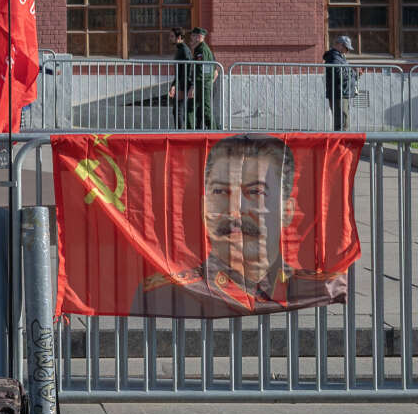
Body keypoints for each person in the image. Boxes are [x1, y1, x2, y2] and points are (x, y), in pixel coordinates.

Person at [134, 134, 340, 317]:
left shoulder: (316, 288)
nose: (235, 210)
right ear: (204, 208)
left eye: (255, 192)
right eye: (221, 192)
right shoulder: (164, 293)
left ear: (287, 211)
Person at [323, 35, 361, 131]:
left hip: (342, 92)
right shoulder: (334, 57)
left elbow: (343, 73)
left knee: (342, 121)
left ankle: (340, 144)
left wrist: (354, 73)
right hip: (339, 93)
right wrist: (354, 72)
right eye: (346, 48)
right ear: (339, 45)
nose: (347, 51)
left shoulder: (338, 57)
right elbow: (339, 75)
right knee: (342, 123)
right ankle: (340, 144)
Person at [187, 27, 219, 130]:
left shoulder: (202, 50)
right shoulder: (200, 49)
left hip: (202, 83)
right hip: (202, 83)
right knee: (192, 108)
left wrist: (194, 86)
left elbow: (202, 70)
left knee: (206, 109)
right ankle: (190, 131)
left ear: (199, 37)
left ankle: (215, 132)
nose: (191, 38)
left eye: (193, 36)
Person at [167, 27, 193, 129]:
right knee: (177, 110)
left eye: (172, 36)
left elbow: (187, 70)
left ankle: (180, 133)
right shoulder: (180, 49)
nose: (170, 38)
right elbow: (179, 72)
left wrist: (181, 87)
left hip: (183, 84)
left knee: (178, 110)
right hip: (180, 83)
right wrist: (173, 85)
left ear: (179, 37)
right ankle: (179, 131)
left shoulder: (184, 50)